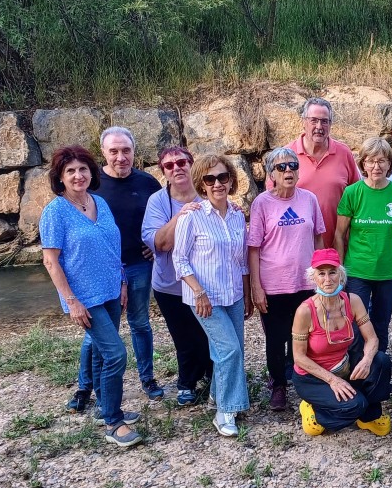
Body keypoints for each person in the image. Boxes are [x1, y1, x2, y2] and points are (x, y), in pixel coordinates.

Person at [40, 146, 141, 448]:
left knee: (99, 353)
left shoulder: (99, 203)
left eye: (83, 169)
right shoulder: (55, 212)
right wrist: (71, 301)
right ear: (60, 177)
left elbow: (113, 246)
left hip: (111, 289)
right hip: (84, 298)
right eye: (70, 171)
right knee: (115, 354)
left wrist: (123, 281)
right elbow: (51, 261)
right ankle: (113, 421)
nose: (78, 175)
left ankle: (103, 408)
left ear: (91, 172)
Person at [67, 127, 163, 412]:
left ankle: (147, 378)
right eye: (114, 151)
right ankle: (85, 387)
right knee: (96, 332)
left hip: (138, 265)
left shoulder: (148, 183)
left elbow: (162, 219)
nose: (121, 157)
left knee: (140, 323)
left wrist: (154, 246)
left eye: (126, 151)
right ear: (103, 153)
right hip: (101, 272)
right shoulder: (91, 185)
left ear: (134, 152)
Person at [173, 153, 253, 437]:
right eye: (210, 179)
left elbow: (241, 260)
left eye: (222, 177)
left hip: (232, 295)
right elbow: (179, 260)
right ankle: (226, 412)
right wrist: (199, 293)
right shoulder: (192, 217)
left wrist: (248, 293)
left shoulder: (236, 216)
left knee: (232, 350)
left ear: (230, 179)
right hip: (204, 298)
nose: (217, 183)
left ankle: (218, 395)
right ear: (202, 183)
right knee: (229, 350)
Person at [248, 147, 327, 412]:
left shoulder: (309, 199)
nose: (288, 171)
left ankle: (304, 380)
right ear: (271, 173)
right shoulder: (262, 203)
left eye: (292, 165)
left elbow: (318, 237)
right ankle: (279, 385)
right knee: (275, 338)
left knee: (305, 335)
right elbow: (254, 248)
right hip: (274, 285)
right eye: (281, 167)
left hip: (305, 283)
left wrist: (322, 275)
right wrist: (256, 287)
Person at [291, 249, 392, 437]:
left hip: (343, 366)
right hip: (312, 376)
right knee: (355, 406)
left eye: (332, 272)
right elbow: (298, 357)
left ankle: (369, 417)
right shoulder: (304, 311)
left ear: (341, 274)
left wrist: (367, 359)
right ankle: (315, 410)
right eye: (321, 273)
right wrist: (332, 380)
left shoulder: (353, 301)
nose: (327, 279)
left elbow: (372, 339)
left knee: (381, 361)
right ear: (313, 278)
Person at [141, 146, 213, 407]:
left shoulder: (208, 192)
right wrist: (181, 216)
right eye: (169, 166)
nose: (177, 168)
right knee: (184, 337)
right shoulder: (158, 202)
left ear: (192, 164)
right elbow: (159, 243)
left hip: (207, 281)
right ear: (164, 173)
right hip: (170, 284)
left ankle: (212, 375)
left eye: (182, 162)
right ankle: (187, 383)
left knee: (209, 332)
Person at [334, 137, 392, 352]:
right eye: (371, 161)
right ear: (363, 164)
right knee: (356, 324)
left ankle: (379, 370)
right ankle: (357, 369)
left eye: (382, 161)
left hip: (389, 272)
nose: (376, 166)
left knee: (381, 323)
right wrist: (341, 271)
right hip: (358, 271)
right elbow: (339, 235)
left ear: (390, 164)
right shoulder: (352, 193)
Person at [278, 97, 360, 248]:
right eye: (313, 120)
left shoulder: (344, 153)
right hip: (297, 249)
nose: (319, 126)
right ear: (304, 121)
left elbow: (359, 196)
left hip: (337, 247)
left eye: (324, 121)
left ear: (330, 124)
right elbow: (271, 200)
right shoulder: (286, 156)